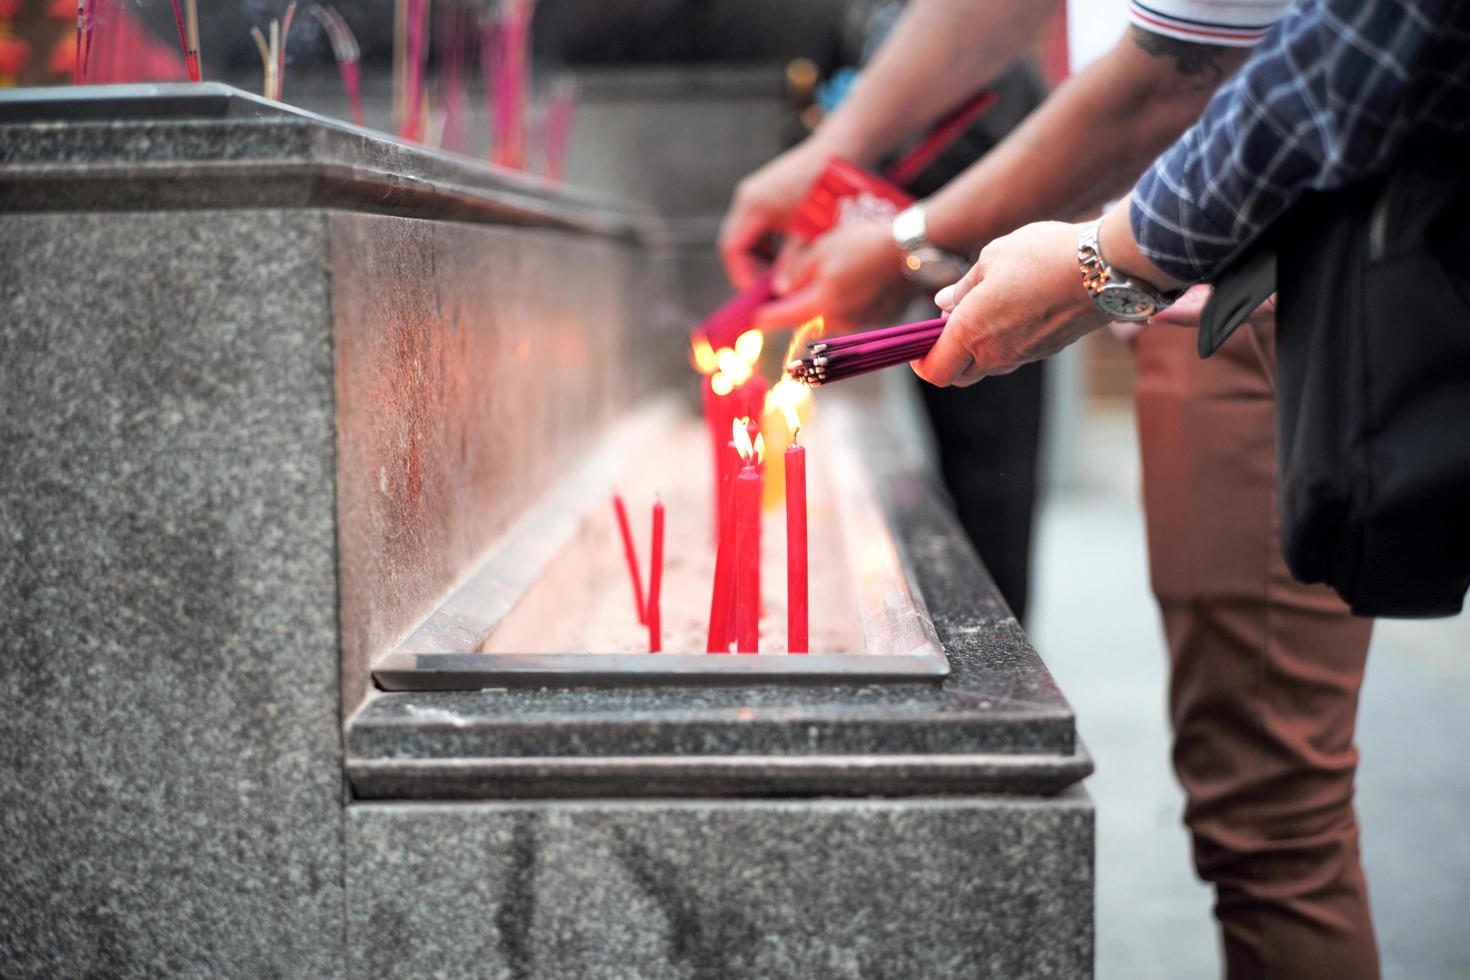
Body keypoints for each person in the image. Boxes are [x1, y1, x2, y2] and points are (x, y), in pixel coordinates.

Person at [722, 0, 1398, 976]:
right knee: (1250, 813)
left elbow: (1179, 71)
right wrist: (842, 154)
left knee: (1272, 818)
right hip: (1192, 280)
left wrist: (982, 248)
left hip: (1275, 281)